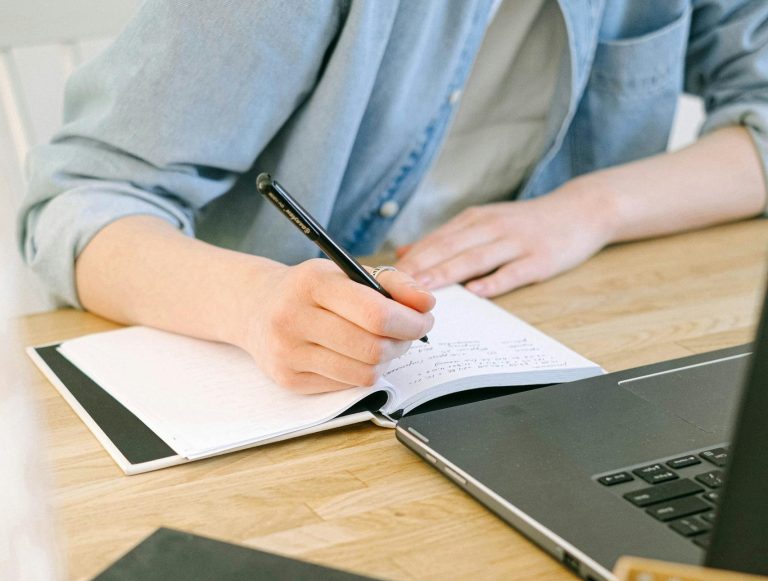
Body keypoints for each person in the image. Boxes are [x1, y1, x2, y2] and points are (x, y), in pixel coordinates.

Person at [18, 1, 768, 395]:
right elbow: (78, 203)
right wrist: (253, 304)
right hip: (288, 392)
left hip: (561, 359)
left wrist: (587, 211)